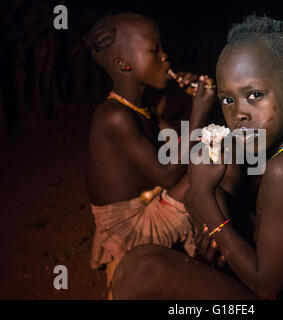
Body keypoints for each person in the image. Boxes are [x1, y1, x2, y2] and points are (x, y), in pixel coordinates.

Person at [112, 15, 283, 300]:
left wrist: (204, 197)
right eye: (228, 100)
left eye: (254, 94)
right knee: (221, 200)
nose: (238, 113)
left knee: (142, 269)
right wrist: (220, 231)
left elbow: (265, 287)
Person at [84, 13, 216, 296]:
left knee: (209, 156)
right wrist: (198, 116)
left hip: (148, 202)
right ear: (123, 63)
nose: (165, 57)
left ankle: (215, 249)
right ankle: (217, 251)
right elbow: (167, 174)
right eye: (154, 51)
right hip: (130, 227)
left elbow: (176, 146)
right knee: (206, 168)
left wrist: (195, 106)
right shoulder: (113, 117)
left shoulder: (138, 108)